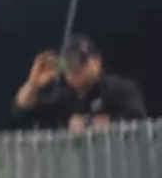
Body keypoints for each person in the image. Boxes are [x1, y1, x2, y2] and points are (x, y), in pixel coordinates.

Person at [13, 35, 147, 131]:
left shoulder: (119, 88)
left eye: (80, 61)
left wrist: (88, 124)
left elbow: (137, 121)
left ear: (97, 62)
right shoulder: (63, 98)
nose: (74, 69)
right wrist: (33, 83)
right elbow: (22, 112)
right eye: (68, 63)